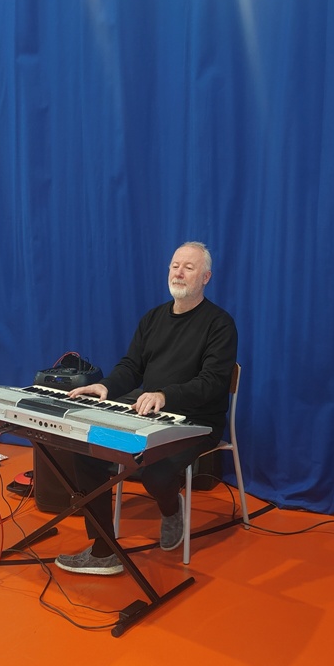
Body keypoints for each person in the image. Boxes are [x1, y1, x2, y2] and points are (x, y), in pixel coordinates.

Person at [54, 241, 237, 575]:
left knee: (155, 471)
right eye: (175, 265)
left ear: (206, 277)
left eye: (189, 267)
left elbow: (212, 383)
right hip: (147, 413)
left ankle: (171, 509)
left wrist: (165, 395)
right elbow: (131, 367)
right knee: (87, 449)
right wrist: (106, 386)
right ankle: (103, 550)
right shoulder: (153, 318)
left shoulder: (220, 324)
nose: (179, 272)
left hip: (197, 422)